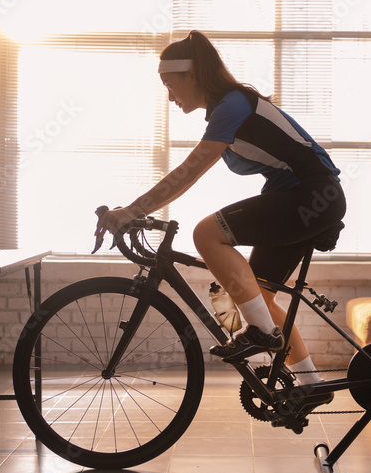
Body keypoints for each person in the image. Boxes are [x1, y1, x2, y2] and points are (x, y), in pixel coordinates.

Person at [95, 30, 346, 410]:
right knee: (256, 295)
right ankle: (310, 384)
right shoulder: (227, 108)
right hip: (302, 197)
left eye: (170, 83)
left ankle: (262, 333)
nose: (169, 95)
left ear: (191, 76)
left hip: (310, 196)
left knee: (206, 233)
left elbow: (189, 171)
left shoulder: (232, 105)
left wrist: (131, 211)